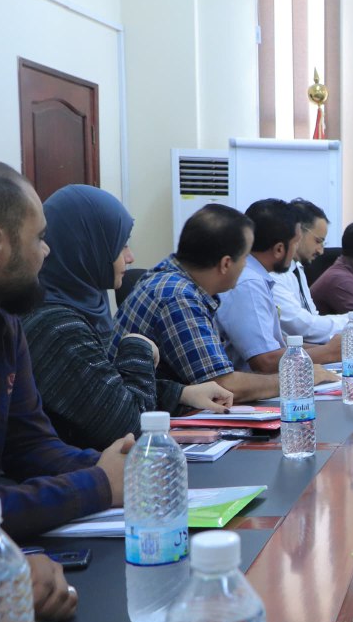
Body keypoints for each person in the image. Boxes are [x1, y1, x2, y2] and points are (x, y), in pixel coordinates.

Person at [0, 155, 132, 545]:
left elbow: (28, 445)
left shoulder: (0, 324)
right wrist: (98, 484)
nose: (47, 251)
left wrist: (120, 466)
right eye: (39, 237)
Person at [22, 186, 231, 450]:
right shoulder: (57, 327)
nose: (130, 257)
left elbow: (106, 390)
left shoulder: (84, 305)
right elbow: (129, 428)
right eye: (120, 245)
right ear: (87, 248)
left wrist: (182, 393)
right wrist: (137, 346)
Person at [116, 203, 280, 402]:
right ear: (226, 264)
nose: (246, 265)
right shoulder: (178, 298)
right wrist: (298, 378)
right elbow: (222, 388)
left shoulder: (171, 274)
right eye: (246, 257)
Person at [216, 199, 343, 375]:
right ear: (278, 249)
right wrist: (328, 352)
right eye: (296, 243)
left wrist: (328, 349)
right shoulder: (249, 283)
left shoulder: (257, 277)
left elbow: (277, 345)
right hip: (259, 386)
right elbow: (265, 361)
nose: (296, 250)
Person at [271, 198, 347, 343]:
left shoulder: (297, 269)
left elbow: (312, 318)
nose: (321, 251)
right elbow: (300, 326)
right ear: (298, 233)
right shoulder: (274, 274)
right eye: (318, 241)